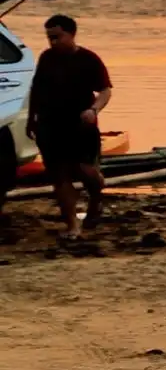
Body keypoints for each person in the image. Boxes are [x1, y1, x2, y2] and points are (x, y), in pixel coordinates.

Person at [25, 14, 112, 239]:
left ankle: (96, 198)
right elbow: (36, 89)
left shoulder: (89, 59)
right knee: (59, 176)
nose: (53, 42)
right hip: (50, 125)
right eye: (49, 37)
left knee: (85, 171)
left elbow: (105, 90)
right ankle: (72, 226)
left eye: (57, 37)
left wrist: (93, 110)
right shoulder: (46, 58)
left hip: (80, 126)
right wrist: (31, 119)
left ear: (71, 34)